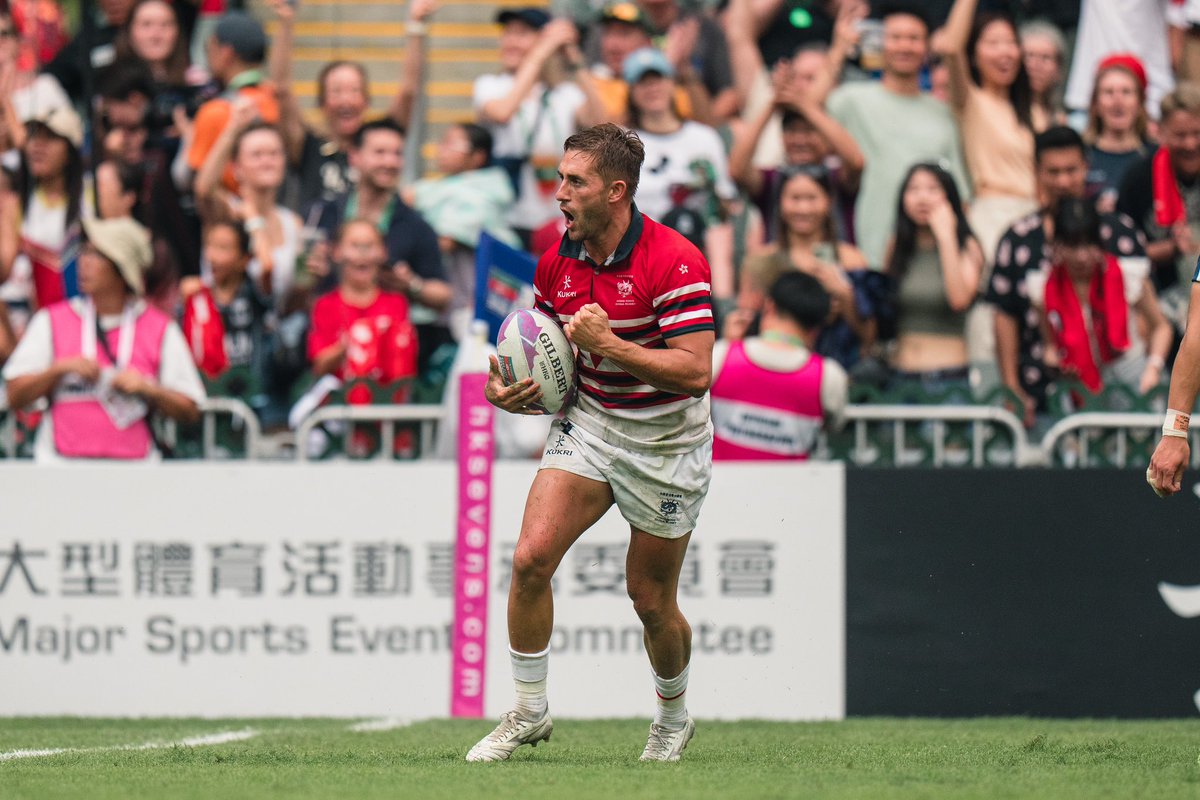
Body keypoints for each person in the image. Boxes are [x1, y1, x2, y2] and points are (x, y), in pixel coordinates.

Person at [467, 123, 714, 763]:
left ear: (616, 190)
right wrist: (510, 388)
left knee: (651, 599)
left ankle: (673, 716)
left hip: (666, 441)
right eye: (560, 179)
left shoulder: (675, 259)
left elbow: (695, 372)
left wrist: (610, 345)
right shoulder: (556, 261)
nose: (560, 194)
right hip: (593, 422)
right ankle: (527, 710)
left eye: (575, 182)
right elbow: (542, 351)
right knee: (529, 559)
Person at [2, 217, 205, 463]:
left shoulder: (159, 328)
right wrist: (58, 370)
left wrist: (148, 389)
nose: (83, 263)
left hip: (136, 476)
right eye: (84, 252)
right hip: (60, 471)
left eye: (97, 255)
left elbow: (190, 408)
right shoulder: (51, 320)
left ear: (122, 269)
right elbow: (14, 394)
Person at [987, 126, 1150, 427]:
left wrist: (1141, 367)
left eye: (1071, 170)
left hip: (1121, 388)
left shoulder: (1120, 233)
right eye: (1053, 171)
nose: (1063, 181)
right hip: (1044, 388)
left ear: (1086, 167)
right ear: (1037, 172)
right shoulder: (1019, 239)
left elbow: (1145, 310)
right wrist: (1012, 388)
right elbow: (1004, 315)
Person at [822, 1, 970, 269]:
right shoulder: (853, 100)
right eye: (895, 38)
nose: (904, 46)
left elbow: (961, 192)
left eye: (914, 38)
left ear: (926, 48)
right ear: (880, 44)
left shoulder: (944, 112)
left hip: (933, 256)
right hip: (873, 248)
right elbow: (807, 111)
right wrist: (838, 50)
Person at [311, 119, 452, 374]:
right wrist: (308, 277)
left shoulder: (415, 224)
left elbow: (443, 295)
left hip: (389, 360)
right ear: (354, 156)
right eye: (380, 152)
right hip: (328, 352)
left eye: (397, 154)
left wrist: (412, 285)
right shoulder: (325, 213)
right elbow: (296, 293)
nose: (390, 162)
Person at [267, 0, 435, 209]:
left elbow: (408, 92)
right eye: (336, 91)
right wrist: (285, 22)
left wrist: (416, 26)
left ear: (366, 101)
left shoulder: (380, 142)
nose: (346, 100)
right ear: (322, 102)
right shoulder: (306, 145)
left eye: (354, 91)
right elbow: (281, 90)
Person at [473, 9, 604, 245]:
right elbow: (503, 112)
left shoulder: (564, 94)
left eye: (522, 34)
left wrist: (574, 59)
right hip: (507, 218)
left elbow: (604, 123)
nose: (511, 42)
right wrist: (540, 53)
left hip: (558, 217)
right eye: (508, 34)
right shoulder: (490, 85)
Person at [623, 48, 737, 310]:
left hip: (700, 254)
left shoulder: (703, 138)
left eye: (658, 79)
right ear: (630, 89)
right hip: (642, 258)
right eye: (643, 81)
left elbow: (723, 209)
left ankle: (722, 305)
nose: (652, 88)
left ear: (672, 82)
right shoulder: (623, 142)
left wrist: (723, 291)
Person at [736, 165, 876, 370]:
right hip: (775, 366)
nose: (803, 208)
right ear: (780, 202)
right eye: (795, 198)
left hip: (838, 366)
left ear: (828, 201)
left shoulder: (851, 260)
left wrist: (844, 295)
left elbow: (869, 336)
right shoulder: (761, 261)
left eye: (811, 198)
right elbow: (745, 325)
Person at [1032, 197, 1171, 403]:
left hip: (1135, 380)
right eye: (1072, 245)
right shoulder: (1044, 289)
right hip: (1080, 390)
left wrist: (1153, 367)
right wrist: (1057, 362)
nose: (1081, 256)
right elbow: (1051, 347)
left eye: (1088, 244)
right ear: (1057, 244)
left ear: (1101, 242)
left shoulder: (1128, 275)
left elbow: (1161, 328)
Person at [710, 270, 847, 460]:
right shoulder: (829, 376)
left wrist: (728, 345)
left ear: (769, 306)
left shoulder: (721, 355)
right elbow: (834, 427)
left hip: (720, 487)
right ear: (817, 327)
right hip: (793, 488)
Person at [403, 123, 520, 342]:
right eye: (442, 142)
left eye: (451, 143)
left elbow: (445, 242)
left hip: (466, 306)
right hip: (438, 304)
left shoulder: (483, 194)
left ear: (478, 156)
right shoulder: (437, 189)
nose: (441, 149)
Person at [885, 162, 983, 402]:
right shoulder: (897, 246)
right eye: (913, 189)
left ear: (949, 196)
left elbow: (959, 299)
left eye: (932, 189)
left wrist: (947, 236)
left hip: (947, 379)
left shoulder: (967, 246)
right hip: (900, 376)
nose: (922, 198)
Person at [195, 109, 301, 309]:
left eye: (274, 153)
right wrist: (233, 130)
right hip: (225, 329)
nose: (267, 161)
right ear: (236, 168)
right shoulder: (227, 211)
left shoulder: (292, 222)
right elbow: (204, 189)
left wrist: (309, 280)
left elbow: (291, 302)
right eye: (256, 155)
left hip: (270, 334)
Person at [1117, 83, 1200, 335]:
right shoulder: (1138, 178)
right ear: (1161, 132)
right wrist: (1172, 249)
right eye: (1180, 134)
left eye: (1197, 133)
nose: (1190, 144)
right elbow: (1120, 257)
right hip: (1157, 299)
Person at [308, 220, 418, 405]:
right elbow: (320, 365)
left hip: (388, 408)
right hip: (340, 411)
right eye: (355, 245)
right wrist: (355, 343)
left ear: (383, 252)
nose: (362, 252)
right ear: (336, 252)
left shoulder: (397, 303)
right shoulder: (325, 304)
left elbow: (405, 365)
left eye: (369, 245)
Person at [186, 10, 279, 193]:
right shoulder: (275, 101)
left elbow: (191, 180)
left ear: (226, 53)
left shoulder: (214, 112)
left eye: (209, 48)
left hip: (227, 213)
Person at [1084, 54, 1152, 212]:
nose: (1118, 100)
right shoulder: (1080, 154)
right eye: (1108, 92)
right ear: (1095, 104)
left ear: (1140, 103)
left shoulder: (1156, 157)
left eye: (1126, 92)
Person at [1020, 19, 1067, 127]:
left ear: (1058, 69)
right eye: (1029, 56)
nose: (1036, 65)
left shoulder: (1060, 120)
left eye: (1046, 58)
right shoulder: (1003, 109)